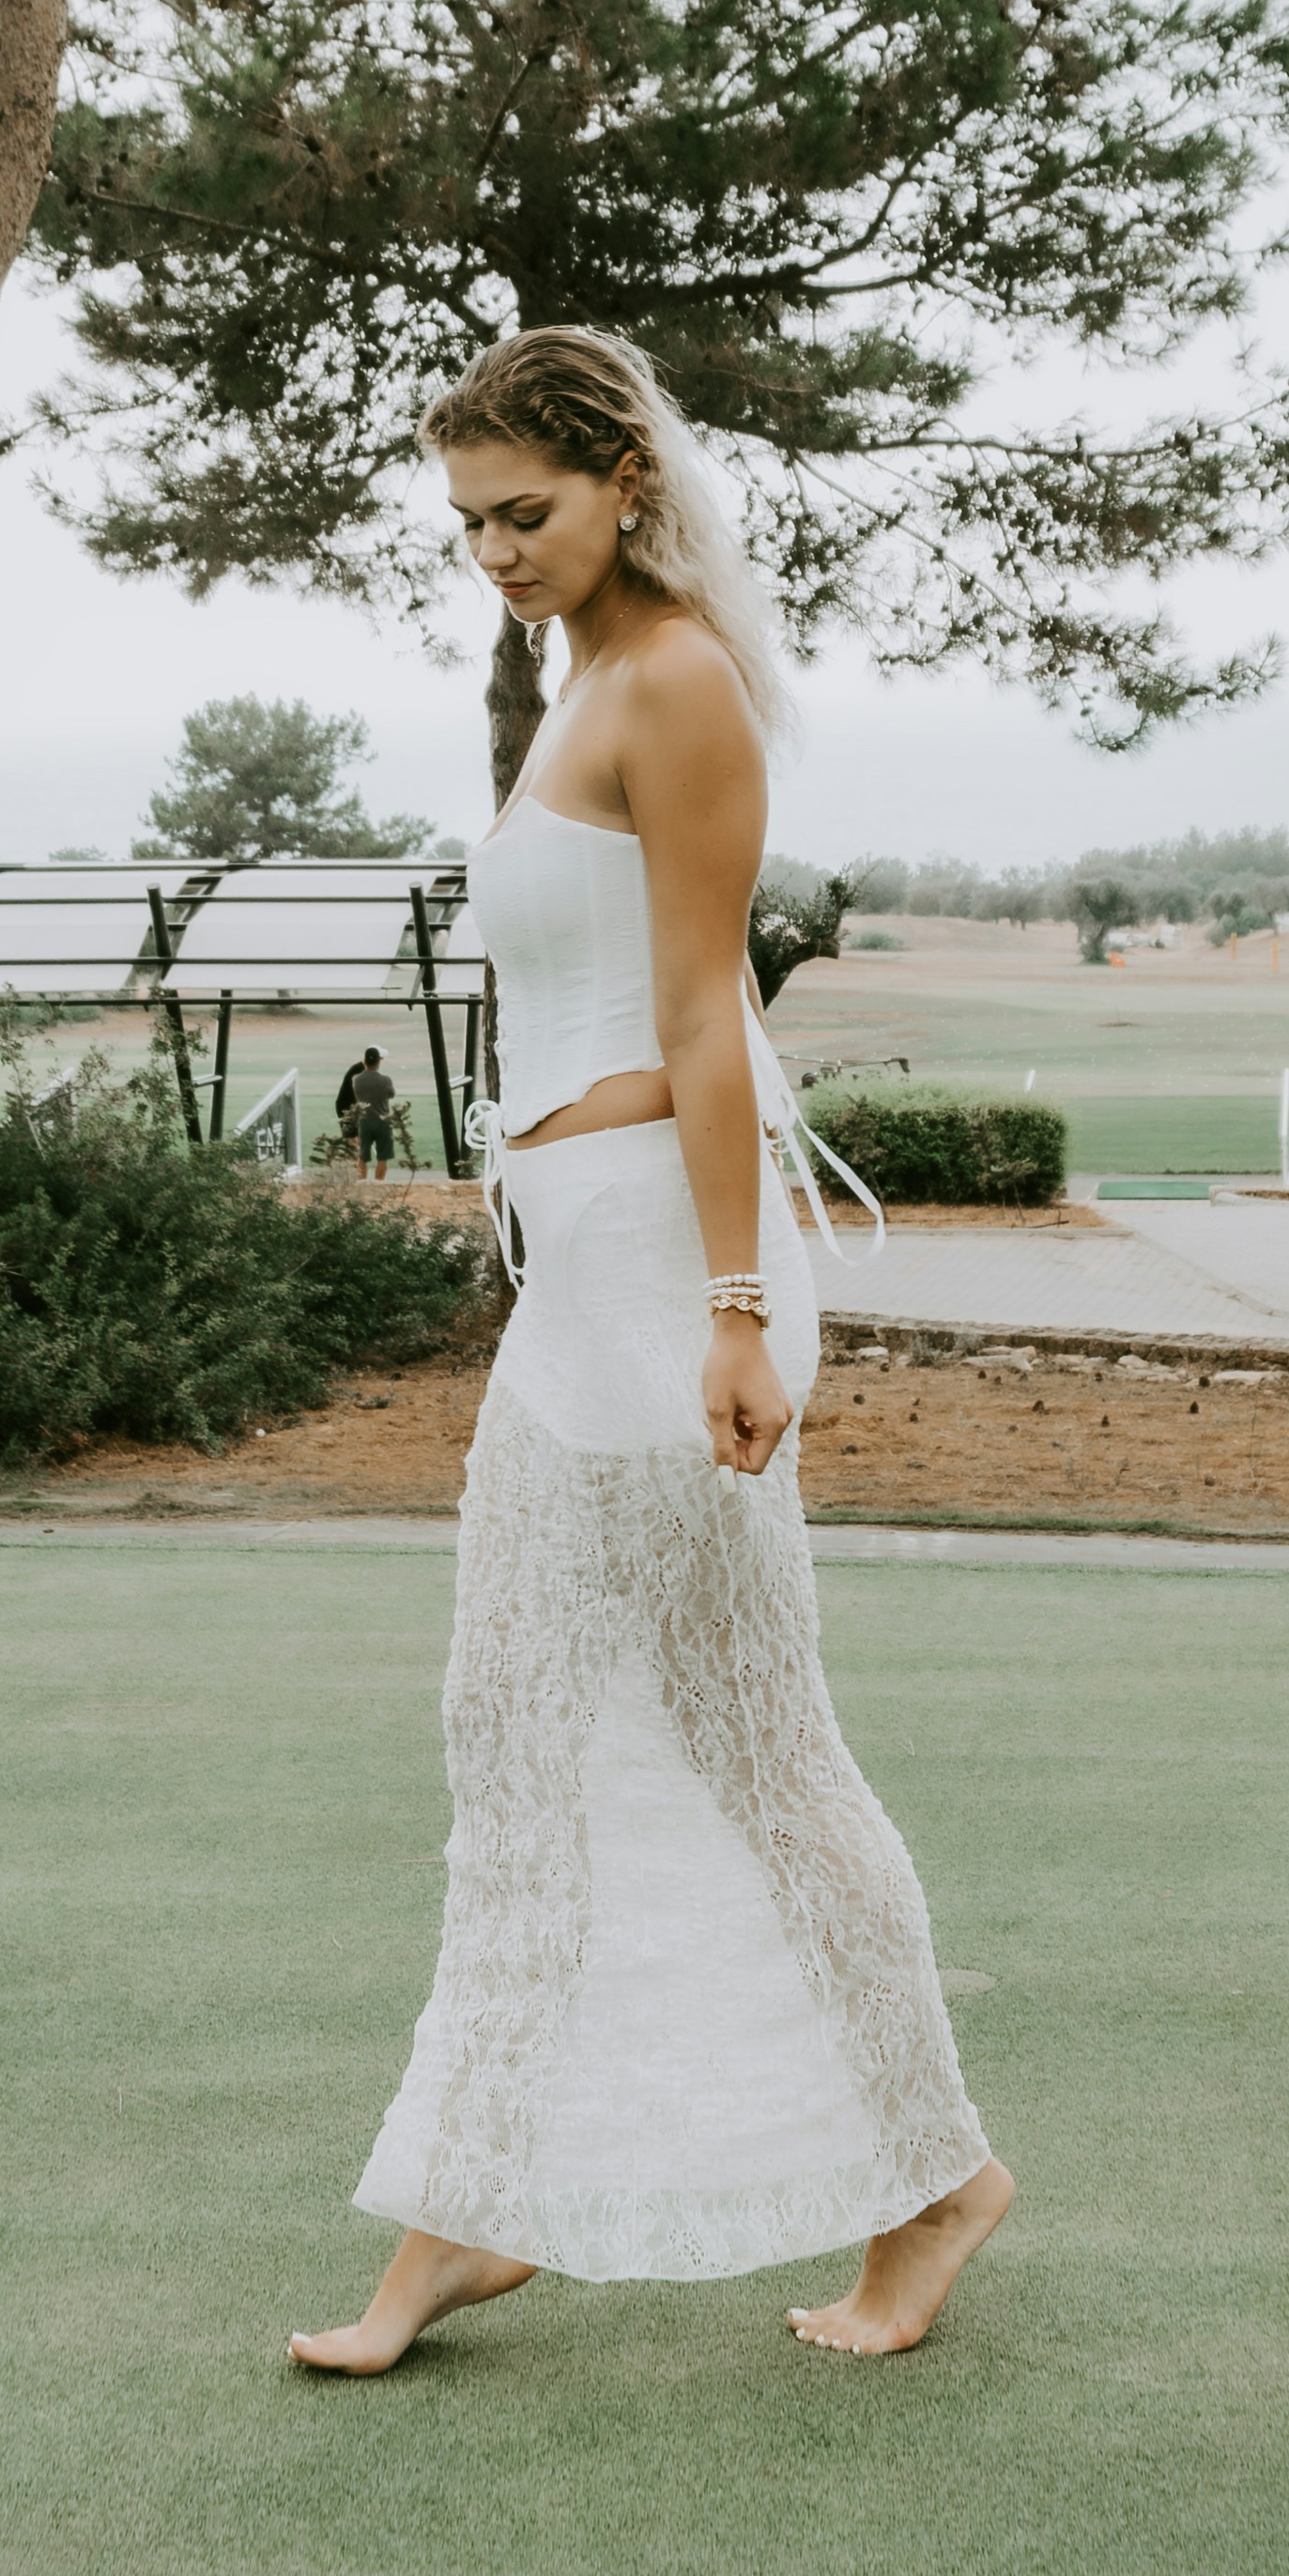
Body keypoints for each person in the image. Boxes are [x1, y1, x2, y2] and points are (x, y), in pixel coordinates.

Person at [288, 327, 1012, 2377]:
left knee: (750, 1739)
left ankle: (934, 2181)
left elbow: (704, 1027)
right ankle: (474, 2212)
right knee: (510, 1729)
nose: (493, 551)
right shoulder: (582, 688)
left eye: (522, 511)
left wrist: (725, 1315)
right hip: (579, 1261)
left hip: (663, 1268)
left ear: (623, 478)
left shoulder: (677, 681)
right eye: (464, 524)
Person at [335, 1046, 403, 1178]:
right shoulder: (363, 1075)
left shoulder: (358, 1075)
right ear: (378, 1061)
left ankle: (359, 1181)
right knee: (357, 1150)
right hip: (351, 1112)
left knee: (360, 1154)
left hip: (360, 1116)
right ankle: (358, 1179)